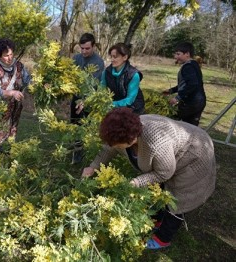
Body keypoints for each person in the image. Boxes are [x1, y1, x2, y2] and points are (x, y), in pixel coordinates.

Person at [82, 107, 216, 249]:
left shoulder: (156, 143)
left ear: (131, 139)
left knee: (179, 198)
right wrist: (94, 166)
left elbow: (164, 173)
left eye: (115, 143)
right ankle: (158, 218)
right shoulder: (123, 134)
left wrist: (137, 182)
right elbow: (109, 148)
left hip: (194, 153)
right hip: (171, 155)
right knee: (162, 191)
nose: (112, 145)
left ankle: (163, 238)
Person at [0, 38, 31, 151]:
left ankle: (8, 158)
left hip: (14, 110)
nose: (10, 58)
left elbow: (28, 81)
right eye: (6, 55)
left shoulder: (19, 67)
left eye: (11, 54)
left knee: (11, 138)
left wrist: (40, 85)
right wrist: (12, 92)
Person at [70, 33, 105, 164]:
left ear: (93, 46)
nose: (84, 51)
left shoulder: (98, 62)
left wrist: (85, 101)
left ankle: (81, 156)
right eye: (82, 48)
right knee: (74, 125)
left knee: (84, 128)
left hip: (89, 101)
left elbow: (95, 87)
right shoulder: (76, 58)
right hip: (76, 98)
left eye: (87, 48)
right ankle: (75, 151)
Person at [163, 42, 206, 126]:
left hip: (192, 103)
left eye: (178, 54)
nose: (176, 57)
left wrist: (177, 98)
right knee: (191, 127)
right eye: (175, 54)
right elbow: (186, 84)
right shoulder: (193, 64)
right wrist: (171, 91)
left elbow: (192, 85)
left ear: (187, 54)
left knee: (173, 120)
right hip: (199, 102)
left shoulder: (188, 67)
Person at [100, 43, 145, 115]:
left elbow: (130, 100)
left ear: (125, 57)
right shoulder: (106, 72)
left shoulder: (134, 75)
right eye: (111, 56)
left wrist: (110, 104)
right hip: (113, 107)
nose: (112, 59)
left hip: (133, 109)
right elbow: (101, 91)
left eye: (115, 57)